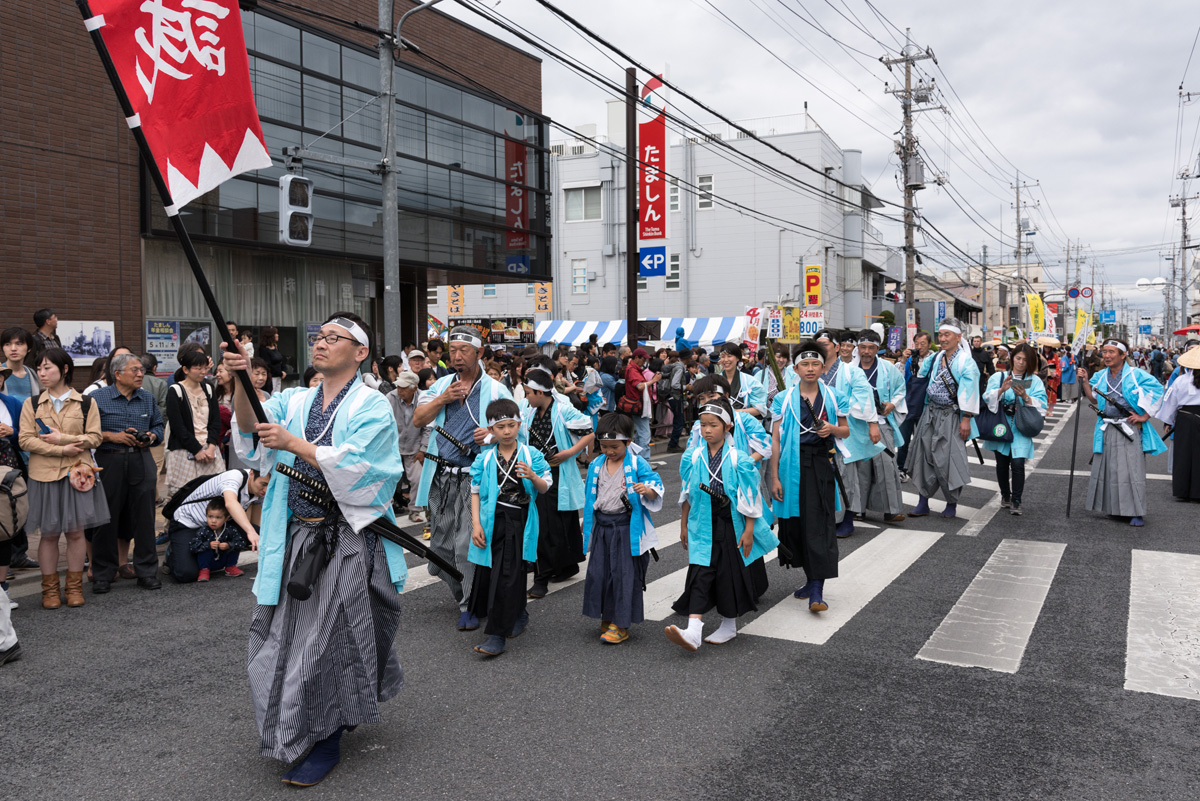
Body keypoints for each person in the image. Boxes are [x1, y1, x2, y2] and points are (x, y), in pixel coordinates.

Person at [226, 311, 406, 787]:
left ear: (360, 352)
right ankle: (314, 720)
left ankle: (325, 741)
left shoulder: (372, 405)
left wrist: (293, 443)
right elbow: (252, 431)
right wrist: (242, 380)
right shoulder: (295, 399)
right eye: (319, 336)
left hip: (345, 538)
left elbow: (365, 468)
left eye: (334, 337)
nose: (321, 343)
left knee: (328, 639)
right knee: (286, 636)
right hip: (296, 535)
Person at [413, 326, 513, 630]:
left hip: (475, 478)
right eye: (452, 350)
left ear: (479, 353)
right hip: (441, 476)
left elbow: (515, 431)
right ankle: (469, 593)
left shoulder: (496, 389)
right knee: (438, 552)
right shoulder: (442, 384)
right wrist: (443, 398)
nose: (456, 356)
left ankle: (469, 604)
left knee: (465, 546)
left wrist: (493, 435)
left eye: (463, 350)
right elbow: (419, 419)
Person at [667, 398, 778, 650]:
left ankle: (729, 625)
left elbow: (749, 497)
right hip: (702, 520)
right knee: (700, 571)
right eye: (703, 425)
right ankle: (694, 629)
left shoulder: (740, 459)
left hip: (730, 521)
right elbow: (687, 493)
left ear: (728, 426)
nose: (707, 430)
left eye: (713, 425)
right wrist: (683, 524)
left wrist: (749, 530)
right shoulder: (693, 456)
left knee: (728, 573)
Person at [20, 349, 109, 609]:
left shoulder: (85, 403)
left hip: (77, 475)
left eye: (47, 368)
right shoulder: (33, 403)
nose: (42, 373)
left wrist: (64, 439)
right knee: (48, 534)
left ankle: (74, 587)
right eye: (39, 369)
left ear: (65, 369)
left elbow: (95, 437)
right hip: (44, 475)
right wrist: (60, 449)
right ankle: (49, 590)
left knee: (76, 533)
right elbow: (25, 440)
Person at [466, 398, 552, 657]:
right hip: (493, 521)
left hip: (519, 520)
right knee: (501, 573)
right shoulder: (486, 458)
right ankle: (518, 614)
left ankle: (497, 634)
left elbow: (545, 486)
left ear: (519, 424)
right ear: (491, 430)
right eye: (500, 427)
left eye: (511, 425)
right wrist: (476, 524)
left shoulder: (531, 454)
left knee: (507, 573)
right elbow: (475, 492)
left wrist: (534, 477)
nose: (506, 431)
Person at [770, 342, 850, 612]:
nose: (811, 369)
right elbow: (776, 441)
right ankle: (809, 578)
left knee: (819, 523)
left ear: (824, 367)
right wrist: (774, 477)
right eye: (805, 364)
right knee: (795, 524)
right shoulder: (784, 398)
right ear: (796, 368)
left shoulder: (834, 396)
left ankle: (817, 587)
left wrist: (832, 428)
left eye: (816, 364)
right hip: (790, 465)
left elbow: (846, 431)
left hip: (820, 465)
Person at [580, 413, 663, 644]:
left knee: (624, 575)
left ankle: (621, 623)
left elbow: (655, 482)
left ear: (627, 442)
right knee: (599, 573)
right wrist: (586, 523)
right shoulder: (597, 464)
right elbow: (590, 497)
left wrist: (648, 491)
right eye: (604, 446)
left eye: (614, 446)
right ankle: (608, 616)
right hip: (603, 526)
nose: (609, 451)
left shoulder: (637, 463)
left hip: (626, 527)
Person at [90, 352, 165, 593]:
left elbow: (158, 426)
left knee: (145, 518)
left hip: (141, 460)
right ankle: (103, 573)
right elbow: (86, 432)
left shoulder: (147, 398)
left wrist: (152, 436)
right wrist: (113, 436)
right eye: (135, 370)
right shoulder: (97, 398)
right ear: (117, 374)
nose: (140, 374)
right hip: (108, 460)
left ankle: (146, 571)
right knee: (106, 518)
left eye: (141, 370)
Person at [520, 368, 594, 599]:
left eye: (528, 393)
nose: (526, 398)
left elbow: (590, 430)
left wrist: (569, 452)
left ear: (540, 392)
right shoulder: (530, 413)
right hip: (536, 474)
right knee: (548, 525)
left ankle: (541, 578)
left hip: (557, 474)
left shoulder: (563, 410)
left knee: (544, 526)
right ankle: (564, 566)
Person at [1078, 338, 1167, 527]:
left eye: (1111, 352)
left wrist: (1145, 415)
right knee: (1110, 469)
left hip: (1129, 427)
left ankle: (1135, 512)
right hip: (1107, 426)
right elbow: (1093, 398)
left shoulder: (1136, 374)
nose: (1107, 356)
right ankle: (1115, 509)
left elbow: (1158, 390)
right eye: (1105, 352)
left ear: (1123, 354)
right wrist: (1085, 381)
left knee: (1131, 471)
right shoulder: (1101, 375)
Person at [907, 318, 981, 519]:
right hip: (930, 412)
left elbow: (971, 391)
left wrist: (966, 418)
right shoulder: (935, 357)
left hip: (952, 414)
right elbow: (921, 376)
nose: (943, 338)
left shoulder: (966, 362)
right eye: (940, 335)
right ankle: (923, 501)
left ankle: (951, 503)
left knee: (949, 458)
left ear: (959, 337)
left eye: (947, 334)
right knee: (923, 455)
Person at [813, 330, 883, 538]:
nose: (821, 349)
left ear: (836, 347)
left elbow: (865, 397)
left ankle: (848, 518)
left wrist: (873, 424)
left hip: (844, 429)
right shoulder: (812, 369)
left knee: (845, 476)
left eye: (825, 344)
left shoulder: (851, 371)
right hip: (817, 430)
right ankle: (827, 518)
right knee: (821, 475)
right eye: (818, 344)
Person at [163, 467, 267, 583]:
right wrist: (250, 531)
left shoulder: (261, 488)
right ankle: (172, 552)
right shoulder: (233, 477)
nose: (266, 490)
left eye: (269, 485)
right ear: (252, 473)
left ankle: (210, 555)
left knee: (266, 537)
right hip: (189, 523)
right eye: (263, 484)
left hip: (221, 524)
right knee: (186, 574)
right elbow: (230, 503)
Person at [849, 330, 908, 524]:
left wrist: (892, 404)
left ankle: (892, 509)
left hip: (882, 422)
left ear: (877, 348)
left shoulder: (887, 368)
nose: (866, 351)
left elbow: (900, 389)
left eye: (871, 348)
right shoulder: (848, 368)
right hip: (857, 424)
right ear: (858, 347)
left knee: (887, 465)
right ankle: (857, 508)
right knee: (860, 467)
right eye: (863, 347)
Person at [982, 343, 1048, 515]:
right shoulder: (999, 377)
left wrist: (1025, 397)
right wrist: (1001, 390)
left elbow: (1042, 404)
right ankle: (1005, 494)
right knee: (1002, 463)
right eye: (1018, 358)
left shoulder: (1034, 381)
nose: (1020, 363)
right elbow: (986, 398)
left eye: (1025, 360)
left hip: (1021, 425)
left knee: (1018, 463)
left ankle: (1016, 500)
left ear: (1031, 362)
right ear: (1012, 358)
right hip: (1001, 424)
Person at [165, 349, 225, 497]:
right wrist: (196, 450)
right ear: (185, 369)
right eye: (198, 368)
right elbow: (178, 426)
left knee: (213, 495)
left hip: (210, 450)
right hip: (184, 452)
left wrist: (211, 446)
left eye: (205, 368)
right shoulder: (176, 390)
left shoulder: (209, 389)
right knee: (183, 496)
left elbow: (215, 421)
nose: (203, 372)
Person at [386, 371, 428, 524]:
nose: (399, 390)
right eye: (398, 386)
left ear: (414, 389)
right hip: (393, 445)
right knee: (388, 479)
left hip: (415, 445)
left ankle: (415, 510)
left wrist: (423, 449)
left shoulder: (423, 398)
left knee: (417, 479)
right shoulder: (390, 397)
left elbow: (428, 426)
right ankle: (386, 511)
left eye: (403, 387)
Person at [1159, 347, 1200, 500]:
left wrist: (1167, 421)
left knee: (1184, 454)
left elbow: (1170, 402)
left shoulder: (1181, 380)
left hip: (1185, 418)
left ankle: (1183, 491)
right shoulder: (1181, 379)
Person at [189, 498, 252, 582]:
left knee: (234, 546)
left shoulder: (230, 529)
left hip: (223, 560)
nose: (213, 521)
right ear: (206, 515)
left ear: (226, 518)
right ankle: (204, 570)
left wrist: (229, 545)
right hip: (208, 562)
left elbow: (241, 543)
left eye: (218, 517)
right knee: (204, 548)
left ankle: (230, 567)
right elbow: (192, 546)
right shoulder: (203, 530)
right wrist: (208, 545)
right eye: (210, 516)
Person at [716, 342, 767, 418]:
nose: (726, 360)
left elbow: (760, 409)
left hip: (744, 425)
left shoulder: (751, 382)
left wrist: (733, 412)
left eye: (729, 356)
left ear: (738, 358)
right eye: (723, 356)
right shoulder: (715, 381)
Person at [622, 348, 659, 451]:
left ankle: (639, 459)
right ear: (637, 357)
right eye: (643, 359)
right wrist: (653, 380)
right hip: (639, 406)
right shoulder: (632, 370)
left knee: (640, 433)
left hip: (639, 405)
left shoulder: (633, 369)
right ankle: (644, 461)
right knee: (644, 434)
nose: (644, 361)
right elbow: (640, 386)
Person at [258, 326, 285, 394]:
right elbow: (268, 365)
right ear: (270, 336)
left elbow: (281, 361)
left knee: (277, 395)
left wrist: (283, 371)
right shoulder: (264, 350)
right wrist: (280, 373)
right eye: (275, 333)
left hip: (278, 377)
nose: (277, 335)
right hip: (271, 378)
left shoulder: (275, 347)